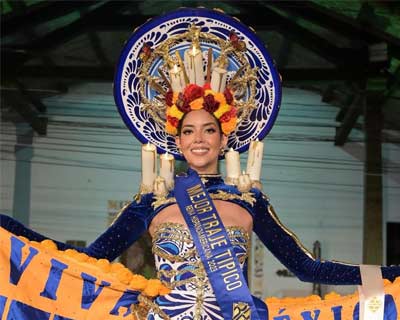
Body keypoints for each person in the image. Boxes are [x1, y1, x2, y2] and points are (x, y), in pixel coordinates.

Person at [1, 7, 399, 320]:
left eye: (208, 130)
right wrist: (10, 232)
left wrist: (388, 274)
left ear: (224, 137)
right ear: (176, 140)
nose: (199, 139)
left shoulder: (249, 201)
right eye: (189, 131)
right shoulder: (150, 202)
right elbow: (88, 259)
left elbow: (307, 267)